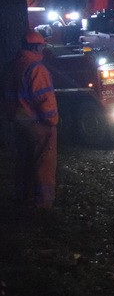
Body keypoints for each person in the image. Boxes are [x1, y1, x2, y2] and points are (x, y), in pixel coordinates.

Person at [4, 31, 59, 212]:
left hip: (18, 123)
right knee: (43, 165)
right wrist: (52, 121)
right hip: (38, 125)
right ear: (36, 46)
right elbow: (44, 99)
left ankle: (22, 197)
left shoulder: (11, 66)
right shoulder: (36, 68)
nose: (43, 49)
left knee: (23, 161)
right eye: (42, 46)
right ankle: (43, 204)